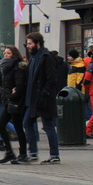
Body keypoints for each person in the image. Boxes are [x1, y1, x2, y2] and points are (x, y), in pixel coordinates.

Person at [21, 32, 60, 164]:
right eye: (27, 44)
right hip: (32, 99)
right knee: (27, 123)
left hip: (43, 98)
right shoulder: (33, 58)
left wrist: (45, 94)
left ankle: (54, 155)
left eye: (30, 43)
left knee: (48, 126)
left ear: (38, 44)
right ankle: (32, 153)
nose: (28, 46)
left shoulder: (46, 57)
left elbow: (52, 79)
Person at [0, 45, 28, 164]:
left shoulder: (17, 67)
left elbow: (19, 87)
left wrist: (11, 94)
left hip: (16, 101)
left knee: (18, 127)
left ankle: (23, 153)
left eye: (8, 53)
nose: (6, 55)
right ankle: (9, 152)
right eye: (5, 53)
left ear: (14, 55)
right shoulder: (5, 67)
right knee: (0, 125)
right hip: (8, 101)